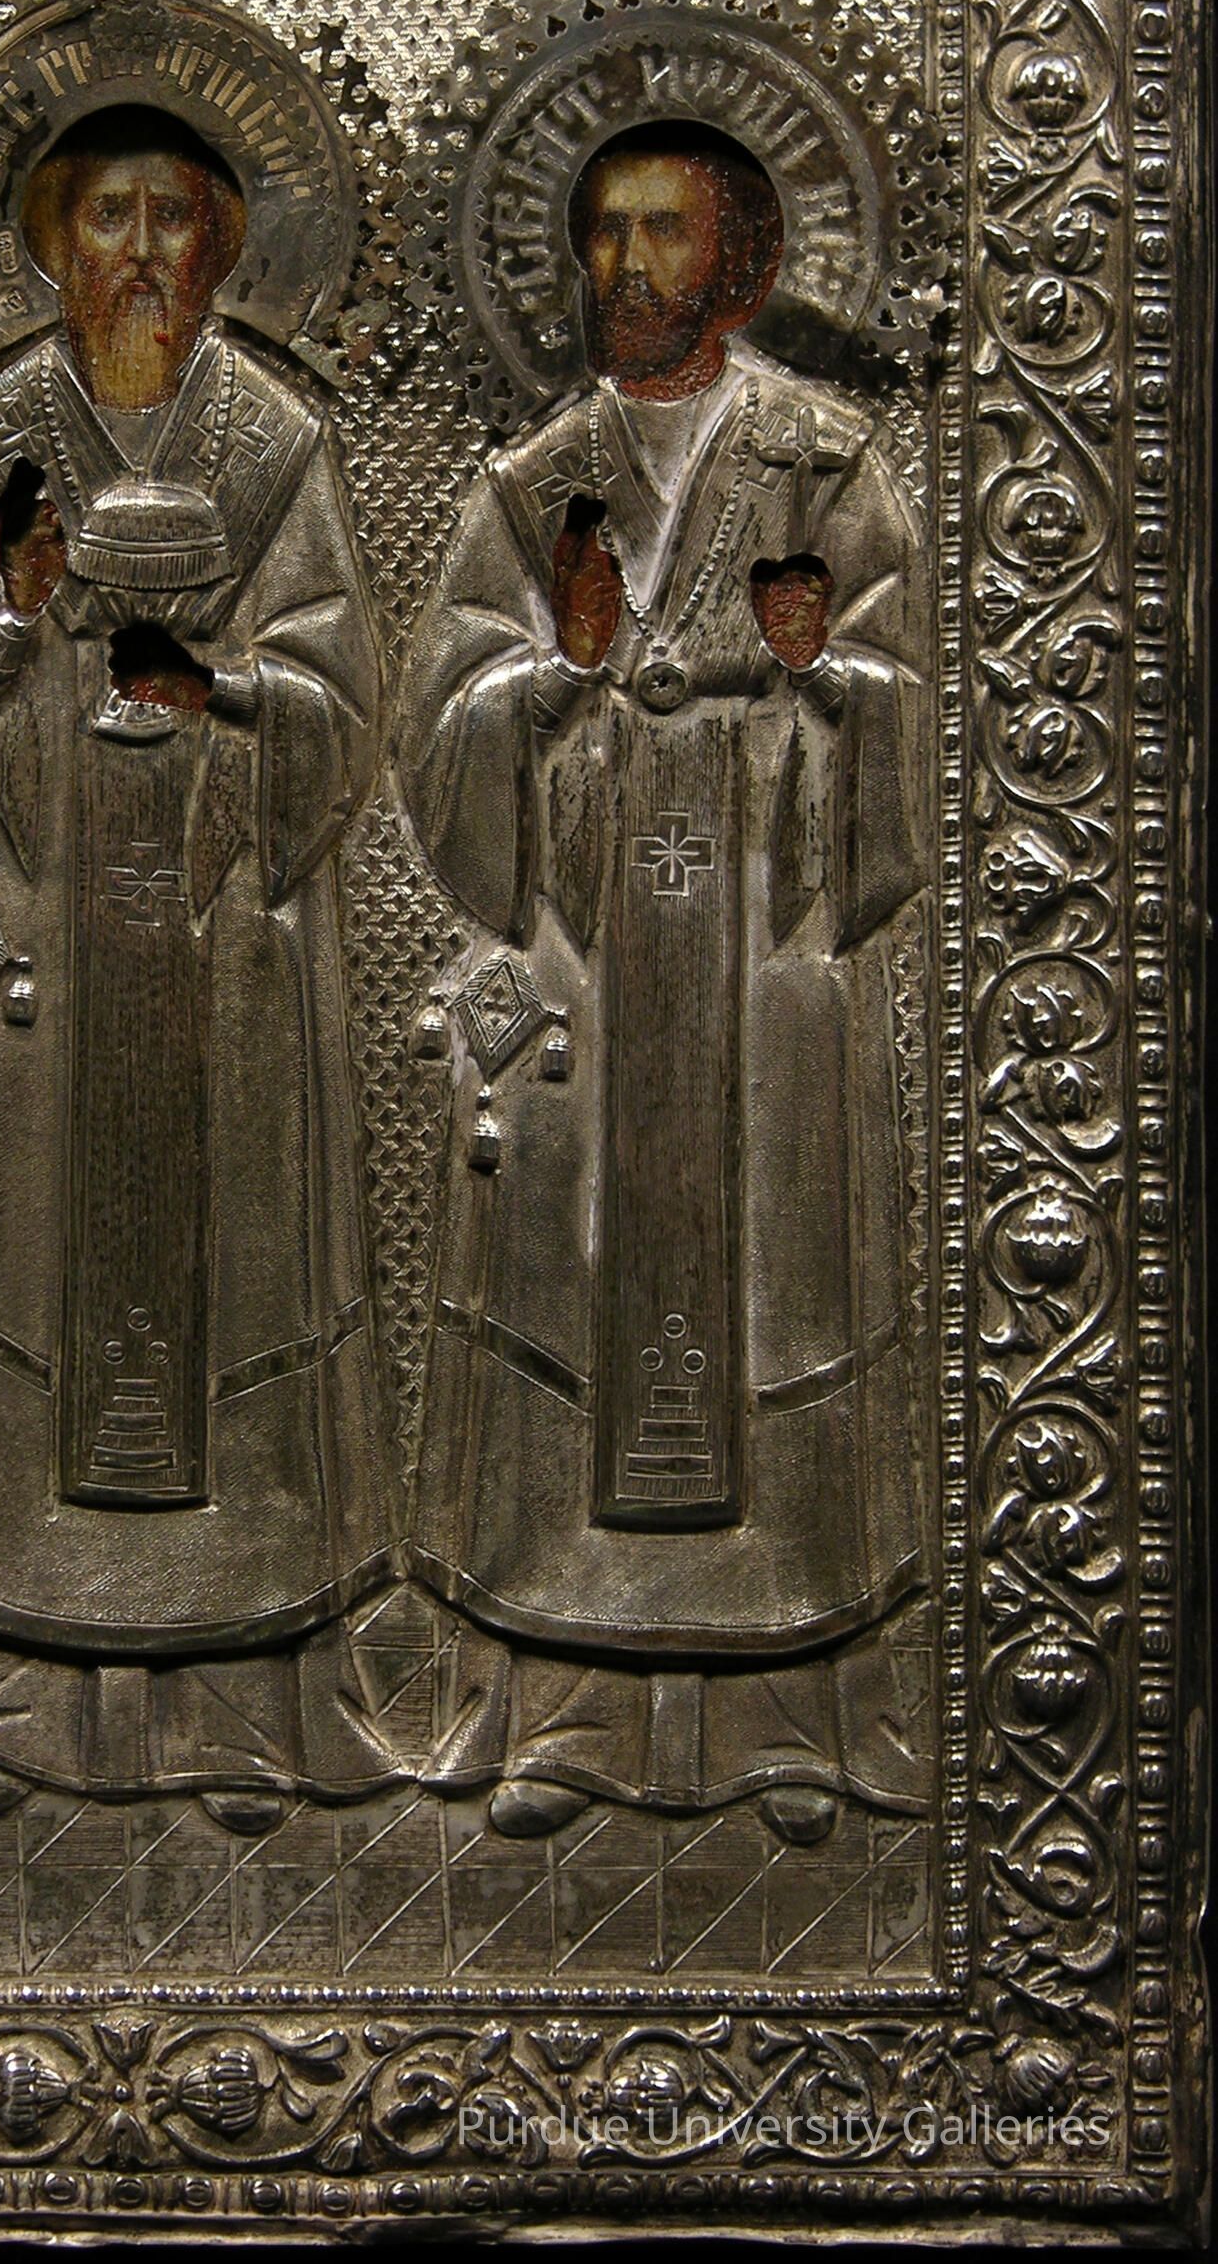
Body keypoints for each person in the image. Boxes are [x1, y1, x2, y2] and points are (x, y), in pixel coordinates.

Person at [0, 106, 397, 1832]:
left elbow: (342, 697)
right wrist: (9, 621)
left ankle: (239, 1700)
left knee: (226, 1293)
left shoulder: (274, 440)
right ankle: (1, 1696)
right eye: (106, 216)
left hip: (220, 950)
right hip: (39, 937)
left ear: (223, 243)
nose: (142, 253)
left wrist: (219, 688)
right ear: (48, 240)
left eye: (173, 217)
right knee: (21, 1278)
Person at [397, 123, 930, 1844]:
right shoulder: (533, 478)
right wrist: (549, 674)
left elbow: (919, 697)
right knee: (570, 1297)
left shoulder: (824, 462)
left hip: (766, 954)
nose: (628, 270)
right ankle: (561, 1711)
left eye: (665, 234)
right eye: (604, 235)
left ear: (742, 262)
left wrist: (821, 672)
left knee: (774, 1287)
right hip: (589, 956)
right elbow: (439, 717)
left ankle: (790, 1713)